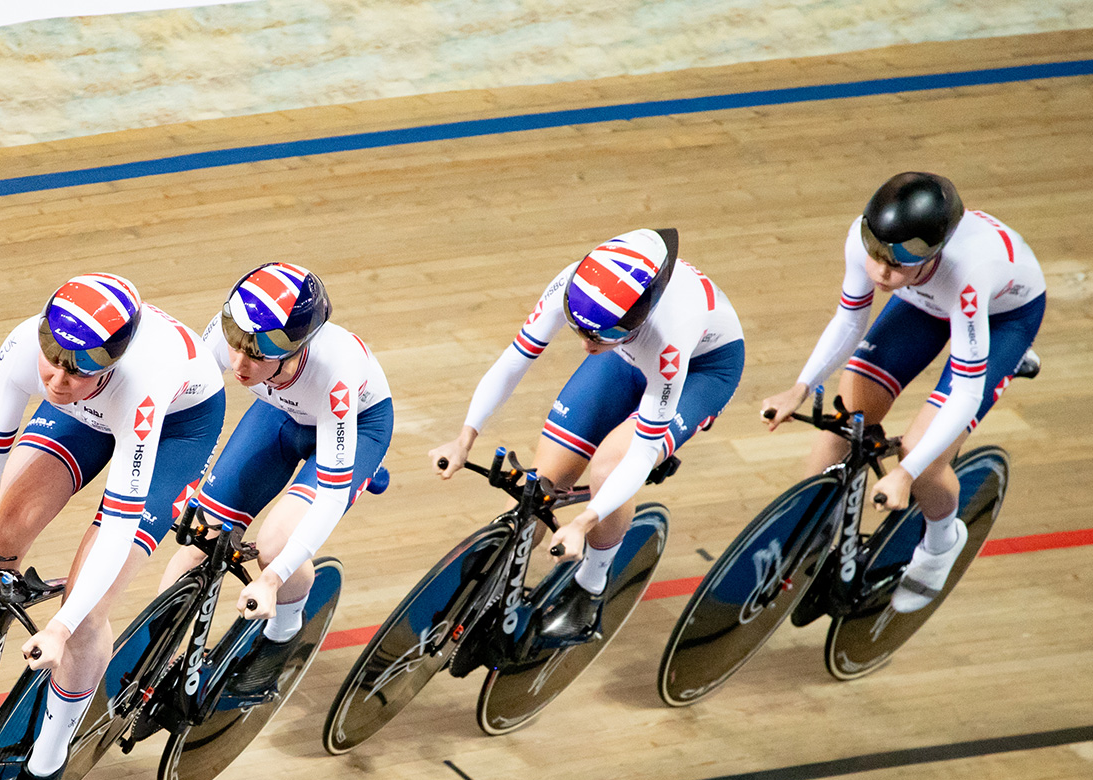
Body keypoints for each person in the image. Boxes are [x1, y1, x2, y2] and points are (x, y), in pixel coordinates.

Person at [0, 273, 224, 780]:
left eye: (76, 369)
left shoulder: (139, 383)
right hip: (87, 415)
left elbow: (120, 523)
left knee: (89, 602)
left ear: (110, 363)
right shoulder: (26, 346)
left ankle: (47, 760)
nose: (58, 378)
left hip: (171, 429)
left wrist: (62, 626)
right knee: (0, 540)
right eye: (53, 362)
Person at [428, 228, 745, 642]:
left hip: (700, 370)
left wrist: (582, 522)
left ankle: (590, 590)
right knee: (540, 484)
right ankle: (495, 591)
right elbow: (513, 361)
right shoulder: (579, 286)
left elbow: (641, 451)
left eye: (598, 336)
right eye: (579, 331)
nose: (584, 345)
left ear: (635, 318)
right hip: (625, 355)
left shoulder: (670, 334)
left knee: (610, 466)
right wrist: (464, 438)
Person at [759, 172, 1044, 612]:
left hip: (1000, 316)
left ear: (934, 253)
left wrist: (906, 473)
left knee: (924, 455)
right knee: (846, 418)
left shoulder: (967, 271)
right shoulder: (867, 242)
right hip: (922, 300)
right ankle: (797, 540)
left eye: (896, 264)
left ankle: (941, 543)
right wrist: (801, 387)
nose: (881, 271)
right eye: (876, 257)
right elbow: (850, 320)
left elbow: (966, 393)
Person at [162, 261, 393, 694]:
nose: (239, 361)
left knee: (274, 546)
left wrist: (270, 581)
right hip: (281, 413)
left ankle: (284, 636)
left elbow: (328, 502)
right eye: (236, 345)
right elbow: (179, 410)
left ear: (295, 347)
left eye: (258, 353)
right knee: (200, 539)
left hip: (354, 427)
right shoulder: (231, 330)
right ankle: (158, 659)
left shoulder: (334, 371)